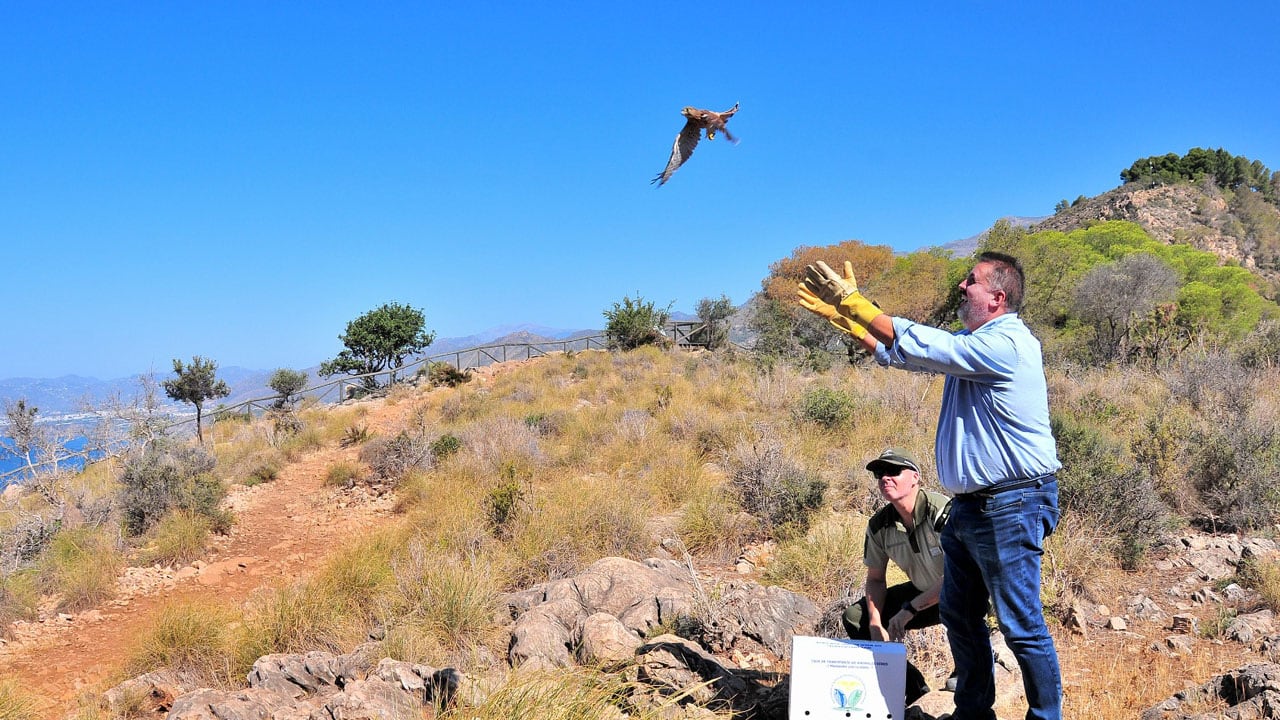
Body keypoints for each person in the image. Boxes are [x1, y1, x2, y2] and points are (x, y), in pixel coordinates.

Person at [799, 252, 1063, 720]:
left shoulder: (1008, 344)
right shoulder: (974, 343)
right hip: (972, 508)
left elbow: (927, 345)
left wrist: (856, 303)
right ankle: (973, 713)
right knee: (961, 618)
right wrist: (849, 318)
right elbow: (904, 353)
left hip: (1012, 502)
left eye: (972, 281)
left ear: (998, 297)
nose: (961, 286)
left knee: (1021, 626)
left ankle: (1046, 716)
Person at [843, 447, 950, 706]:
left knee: (961, 597)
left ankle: (969, 674)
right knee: (856, 619)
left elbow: (958, 575)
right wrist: (876, 624)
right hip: (924, 592)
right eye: (880, 473)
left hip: (965, 593)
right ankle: (914, 688)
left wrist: (909, 610)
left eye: (893, 471)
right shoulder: (879, 525)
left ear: (915, 477)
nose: (884, 478)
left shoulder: (942, 510)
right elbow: (876, 579)